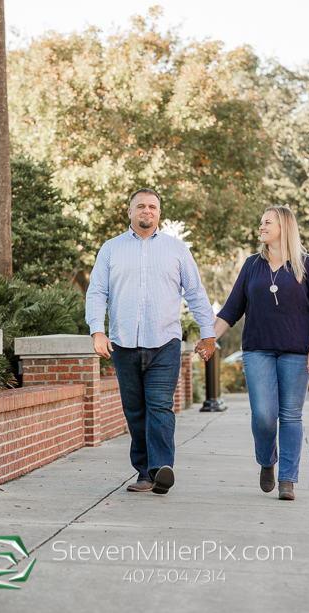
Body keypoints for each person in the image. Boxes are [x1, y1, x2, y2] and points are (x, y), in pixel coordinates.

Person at [196, 205, 309, 500]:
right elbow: (231, 309)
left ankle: (287, 480)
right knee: (263, 416)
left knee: (291, 416)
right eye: (261, 222)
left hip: (297, 353)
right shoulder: (252, 266)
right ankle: (267, 460)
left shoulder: (307, 265)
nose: (261, 226)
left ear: (284, 227)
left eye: (267, 222)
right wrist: (209, 338)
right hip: (258, 350)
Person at [86, 188, 216, 495]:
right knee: (135, 410)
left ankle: (160, 469)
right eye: (141, 206)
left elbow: (195, 292)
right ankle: (144, 471)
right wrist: (97, 330)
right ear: (129, 212)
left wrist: (207, 333)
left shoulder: (176, 249)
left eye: (153, 207)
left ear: (159, 213)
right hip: (123, 344)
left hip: (164, 343)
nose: (148, 210)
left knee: (159, 406)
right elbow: (97, 292)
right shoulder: (111, 249)